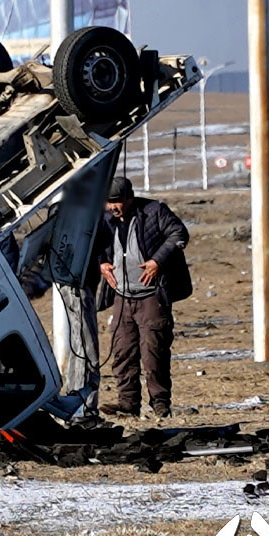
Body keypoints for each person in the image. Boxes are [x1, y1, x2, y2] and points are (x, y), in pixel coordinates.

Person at [96, 177, 191, 419]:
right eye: (109, 202)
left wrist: (157, 261)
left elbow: (179, 234)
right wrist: (102, 263)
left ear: (129, 198)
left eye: (116, 202)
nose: (112, 207)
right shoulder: (106, 220)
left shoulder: (154, 211)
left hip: (152, 296)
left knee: (153, 352)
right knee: (122, 352)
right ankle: (128, 404)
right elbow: (96, 246)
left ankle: (160, 404)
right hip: (122, 297)